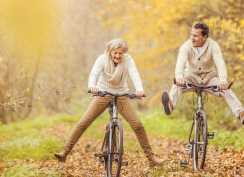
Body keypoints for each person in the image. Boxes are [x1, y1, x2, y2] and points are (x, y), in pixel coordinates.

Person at [55, 38, 164, 166]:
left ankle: (151, 159)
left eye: (120, 53)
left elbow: (135, 75)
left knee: (138, 125)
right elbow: (93, 74)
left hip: (121, 94)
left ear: (124, 53)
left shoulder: (128, 60)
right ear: (110, 52)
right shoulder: (102, 59)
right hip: (103, 93)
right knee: (84, 122)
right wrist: (92, 86)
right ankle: (64, 152)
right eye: (115, 53)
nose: (118, 56)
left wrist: (139, 89)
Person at [161, 22, 244, 124]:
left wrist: (223, 80)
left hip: (209, 79)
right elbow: (180, 63)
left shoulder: (213, 46)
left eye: (195, 36)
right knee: (176, 86)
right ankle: (170, 105)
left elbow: (220, 63)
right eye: (191, 35)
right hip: (191, 77)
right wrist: (179, 76)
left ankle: (241, 114)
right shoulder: (186, 46)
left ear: (204, 37)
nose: (192, 38)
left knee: (227, 90)